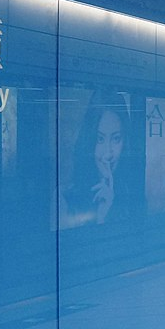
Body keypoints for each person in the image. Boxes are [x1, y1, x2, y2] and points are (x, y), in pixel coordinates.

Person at [60, 91, 135, 227]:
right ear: (89, 142)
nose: (108, 154)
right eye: (100, 139)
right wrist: (101, 215)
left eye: (116, 138)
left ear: (125, 142)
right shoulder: (64, 198)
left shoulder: (132, 192)